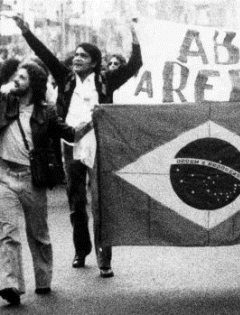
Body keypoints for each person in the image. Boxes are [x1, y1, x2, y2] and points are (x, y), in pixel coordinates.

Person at [13, 15, 143, 278]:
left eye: (83, 56)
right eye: (76, 55)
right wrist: (25, 30)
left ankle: (104, 258)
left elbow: (135, 64)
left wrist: (134, 32)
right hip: (71, 145)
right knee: (76, 202)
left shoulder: (107, 80)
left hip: (99, 147)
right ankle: (80, 250)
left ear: (94, 62)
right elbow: (45, 54)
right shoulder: (66, 77)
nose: (77, 58)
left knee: (100, 203)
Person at [0, 62, 76, 305]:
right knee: (7, 233)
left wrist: (94, 122)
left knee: (38, 234)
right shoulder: (4, 104)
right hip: (4, 176)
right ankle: (10, 284)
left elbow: (70, 134)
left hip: (33, 179)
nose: (16, 81)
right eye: (15, 77)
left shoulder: (47, 112)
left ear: (32, 83)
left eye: (21, 77)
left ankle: (43, 280)